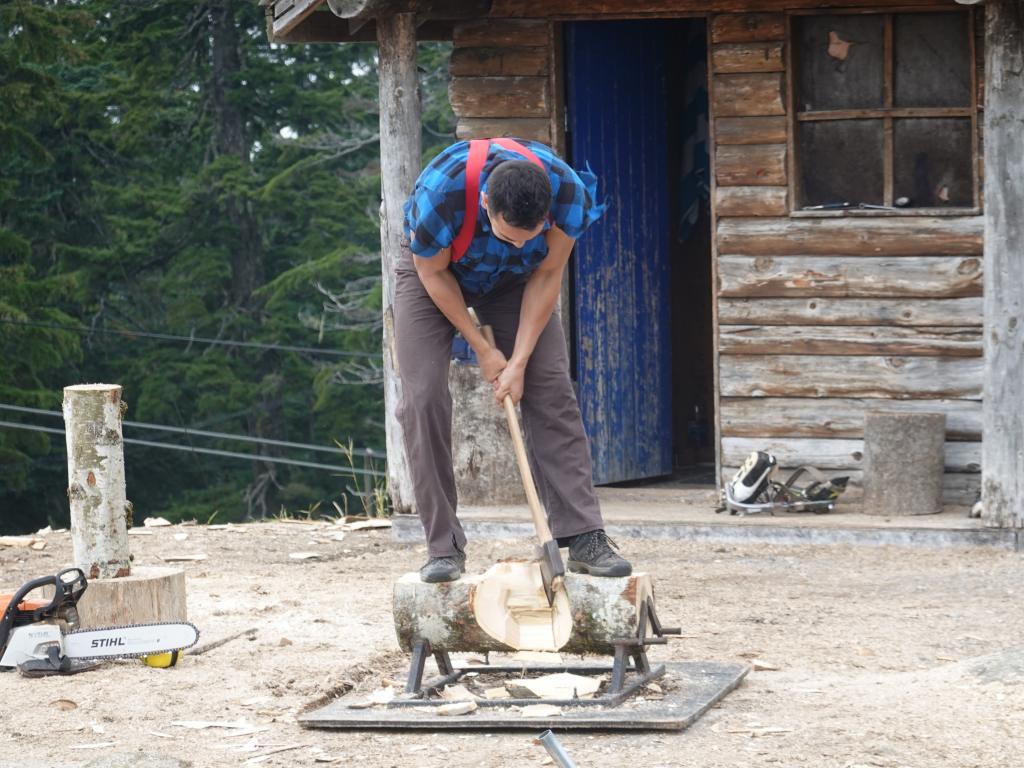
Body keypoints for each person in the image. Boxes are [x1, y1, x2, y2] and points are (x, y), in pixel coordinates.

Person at [396, 137, 632, 583]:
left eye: (531, 237)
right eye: (510, 236)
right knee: (423, 397)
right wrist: (482, 349)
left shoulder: (566, 195)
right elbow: (431, 272)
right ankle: (443, 548)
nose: (522, 245)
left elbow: (545, 272)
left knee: (550, 386)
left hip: (514, 283)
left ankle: (584, 535)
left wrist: (520, 360)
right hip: (435, 276)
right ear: (486, 201)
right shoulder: (439, 195)